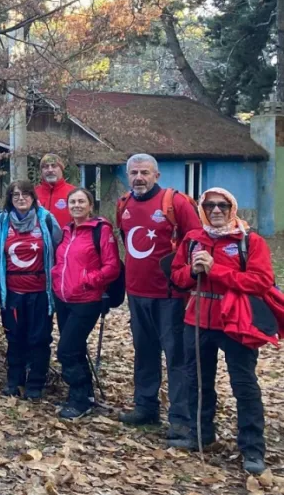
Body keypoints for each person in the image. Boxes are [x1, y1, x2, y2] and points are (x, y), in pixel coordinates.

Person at [169, 188, 274, 474]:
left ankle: (252, 448)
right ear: (202, 209)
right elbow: (177, 276)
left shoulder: (249, 240)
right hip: (198, 318)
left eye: (223, 206)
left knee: (244, 386)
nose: (216, 210)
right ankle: (200, 435)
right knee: (197, 381)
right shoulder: (193, 240)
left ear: (232, 208)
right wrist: (192, 271)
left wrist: (215, 271)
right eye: (210, 205)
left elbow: (260, 282)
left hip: (236, 322)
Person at [116, 154, 199, 439]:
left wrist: (188, 281)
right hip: (137, 293)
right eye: (134, 172)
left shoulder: (175, 203)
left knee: (176, 357)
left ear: (157, 175)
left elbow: (196, 241)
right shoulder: (124, 204)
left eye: (145, 173)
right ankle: (145, 406)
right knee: (144, 353)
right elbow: (125, 241)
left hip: (170, 295)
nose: (139, 177)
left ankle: (180, 418)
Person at [0, 181, 61, 399]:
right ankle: (14, 379)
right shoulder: (2, 220)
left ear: (33, 197)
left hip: (40, 292)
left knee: (39, 338)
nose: (21, 198)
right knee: (15, 337)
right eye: (15, 195)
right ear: (10, 198)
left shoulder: (45, 218)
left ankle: (36, 383)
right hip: (13, 292)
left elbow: (60, 249)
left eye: (25, 194)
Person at [51, 187, 120, 420]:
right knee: (76, 349)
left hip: (86, 300)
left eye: (81, 201)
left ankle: (78, 399)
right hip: (63, 298)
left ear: (90, 205)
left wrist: (87, 281)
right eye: (72, 202)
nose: (76, 206)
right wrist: (55, 275)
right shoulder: (67, 230)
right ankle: (86, 396)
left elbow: (112, 267)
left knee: (67, 351)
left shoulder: (100, 230)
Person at [35, 154, 73, 228]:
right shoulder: (32, 193)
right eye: (46, 167)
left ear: (61, 169)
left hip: (66, 238)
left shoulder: (73, 192)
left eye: (54, 166)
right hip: (38, 238)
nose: (50, 170)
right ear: (41, 171)